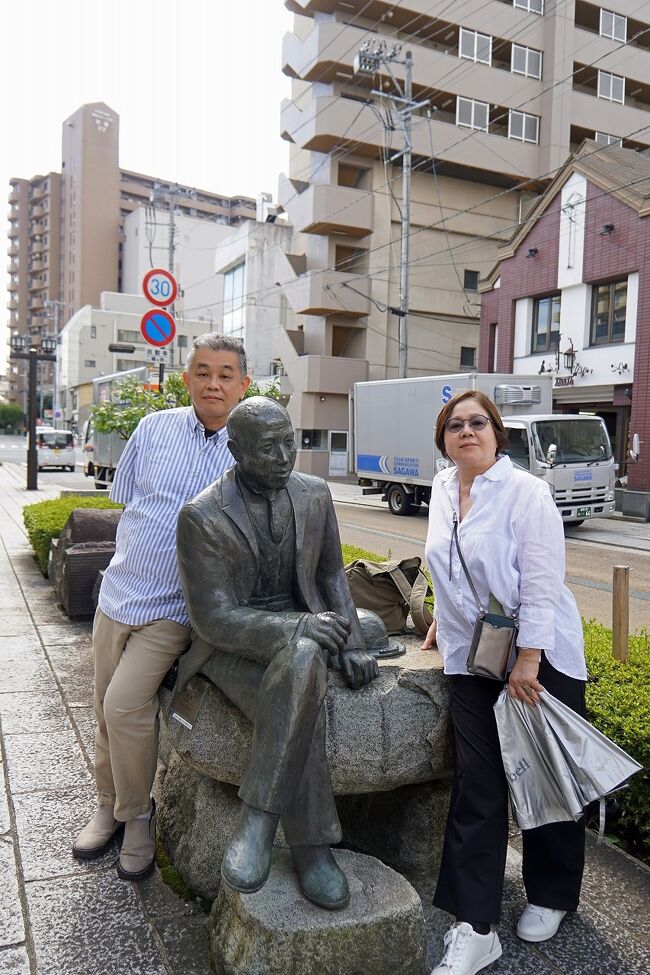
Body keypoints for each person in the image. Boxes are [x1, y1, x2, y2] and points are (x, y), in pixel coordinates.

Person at [173, 397, 379, 909]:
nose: (286, 454)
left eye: (290, 440)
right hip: (233, 648)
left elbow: (332, 573)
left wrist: (351, 642)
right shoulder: (201, 516)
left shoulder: (314, 494)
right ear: (236, 450)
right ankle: (308, 849)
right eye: (269, 447)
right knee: (307, 659)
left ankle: (260, 824)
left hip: (303, 631)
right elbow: (213, 620)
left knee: (309, 660)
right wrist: (304, 628)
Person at [72, 333, 251, 880]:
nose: (213, 383)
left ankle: (139, 814)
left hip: (174, 607)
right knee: (104, 705)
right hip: (119, 592)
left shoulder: (246, 454)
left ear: (243, 385)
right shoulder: (153, 429)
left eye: (225, 374)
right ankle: (107, 804)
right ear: (187, 378)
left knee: (124, 705)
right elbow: (127, 501)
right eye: (203, 371)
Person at [421, 390, 587, 975]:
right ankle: (475, 926)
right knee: (478, 788)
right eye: (455, 425)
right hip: (474, 659)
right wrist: (444, 616)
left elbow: (542, 582)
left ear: (497, 433)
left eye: (478, 422)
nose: (467, 431)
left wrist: (530, 659)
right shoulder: (442, 489)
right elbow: (449, 562)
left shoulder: (527, 493)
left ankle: (553, 893)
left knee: (545, 778)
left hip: (538, 659)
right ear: (444, 438)